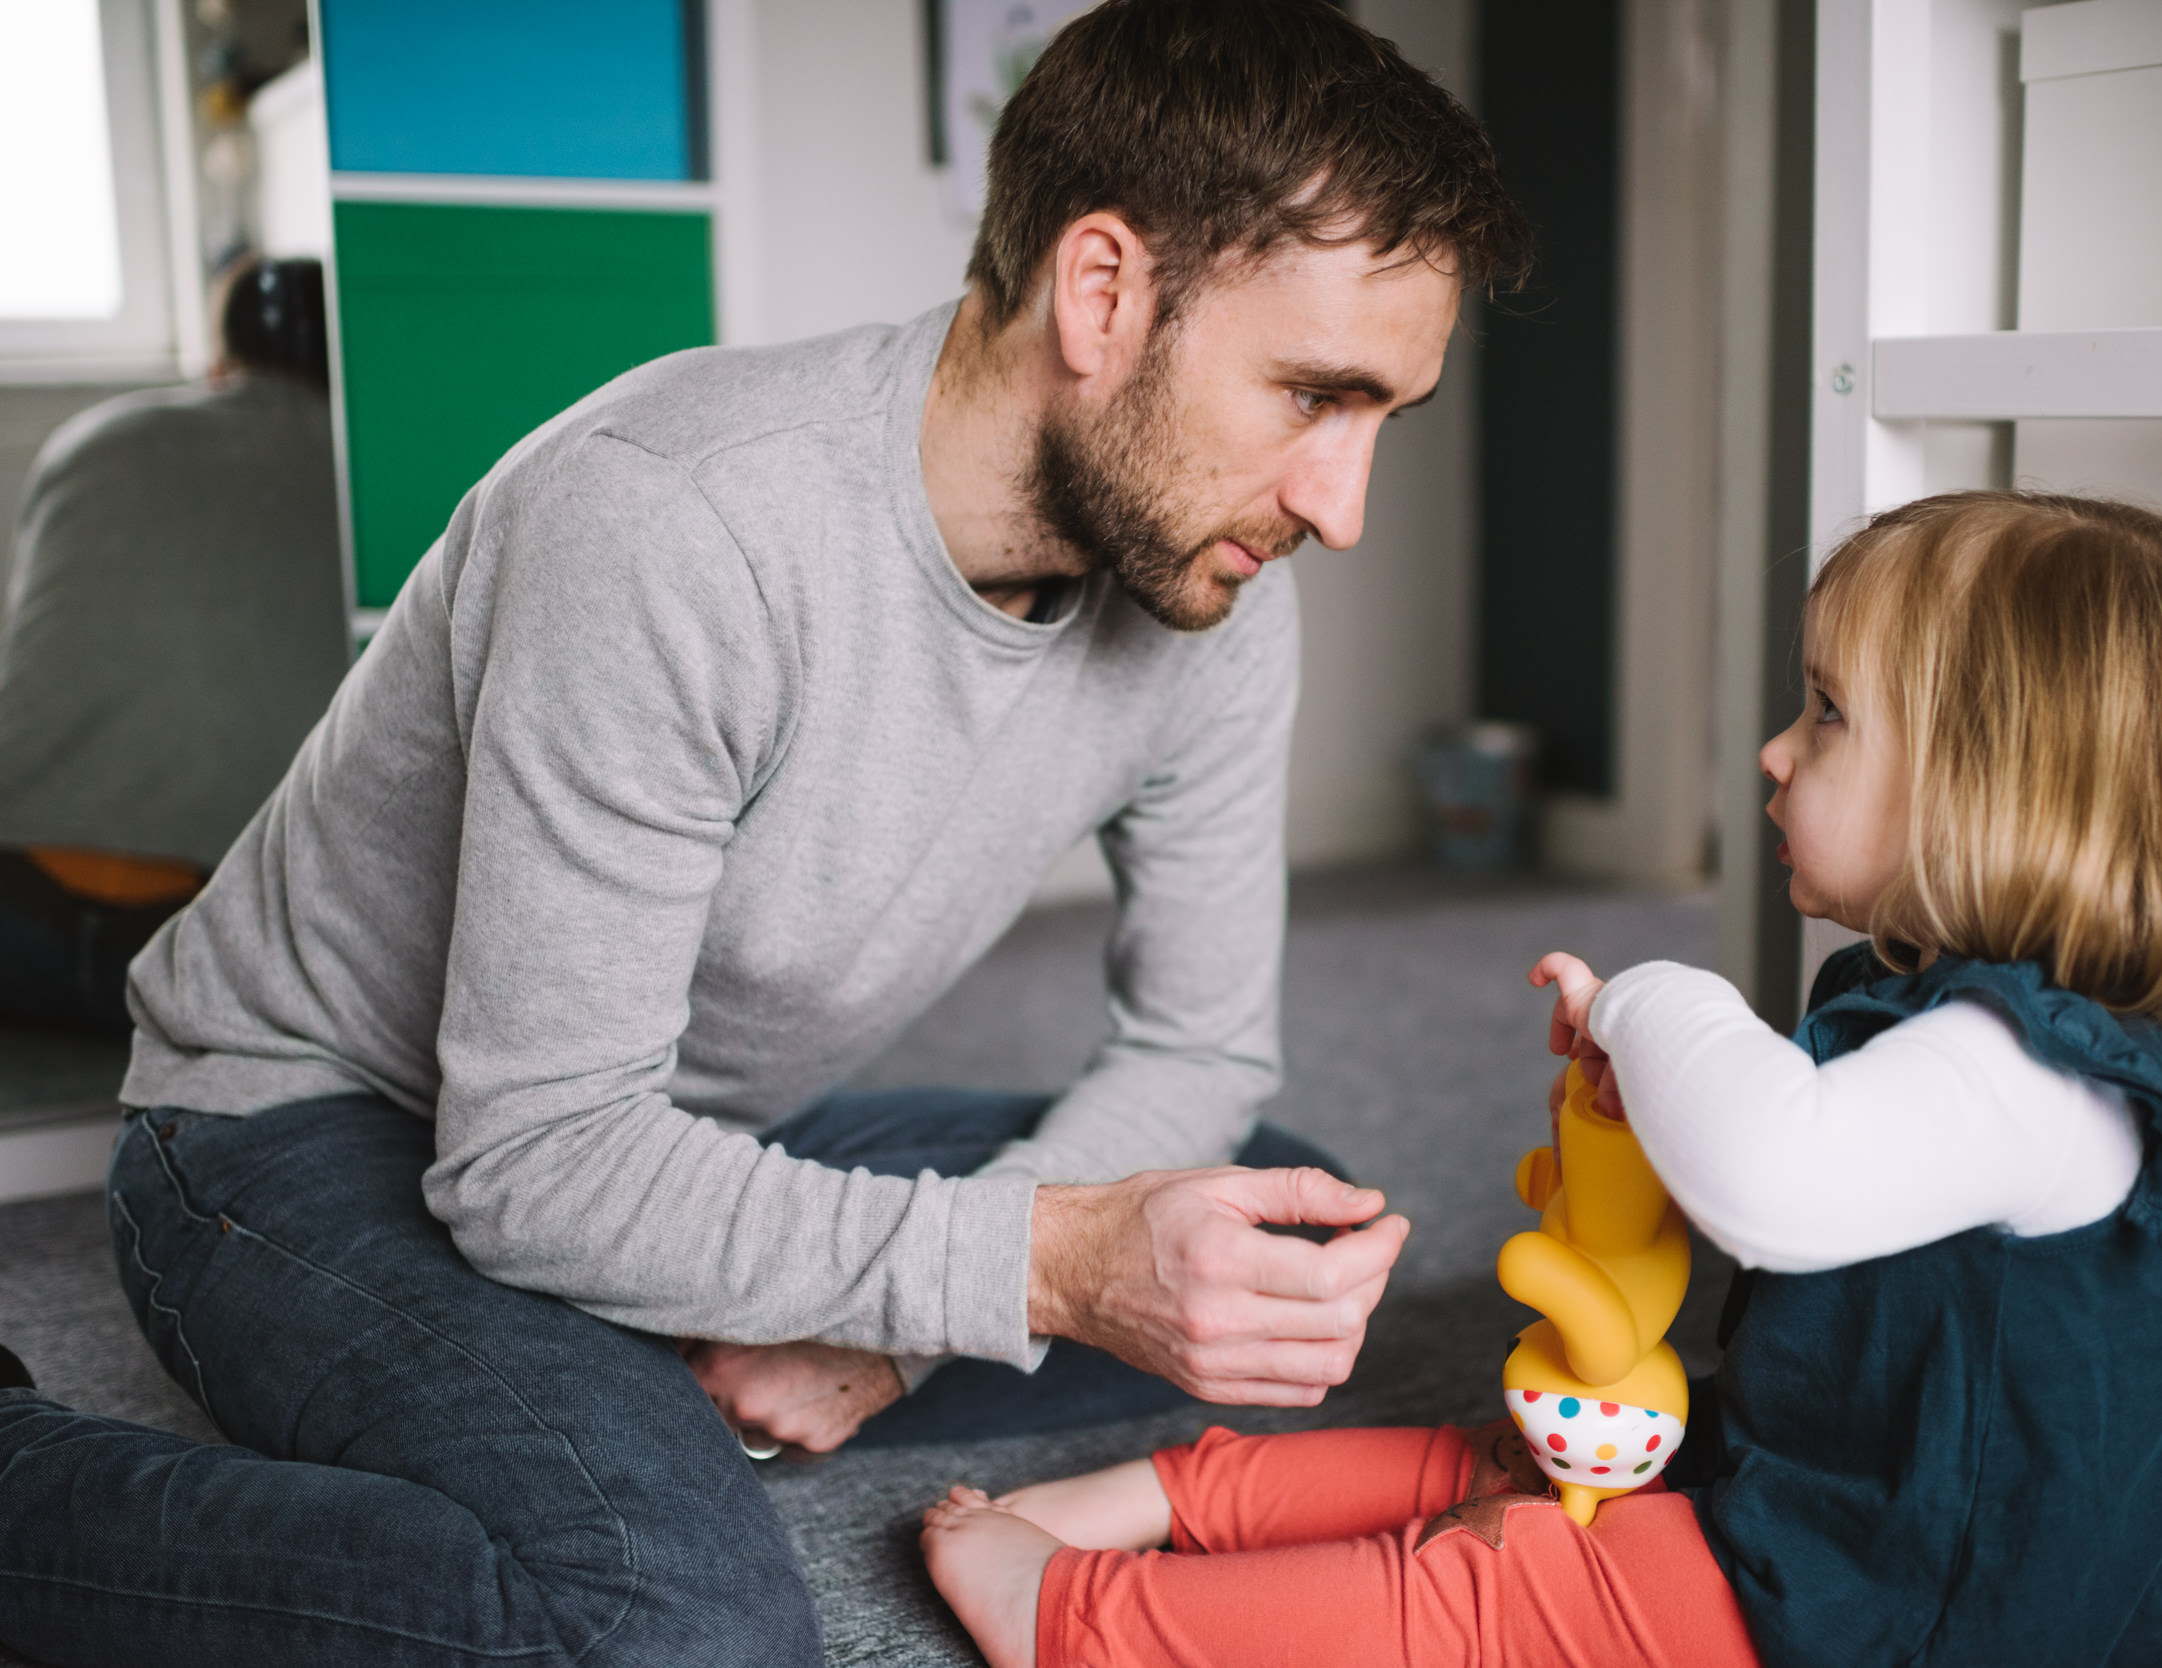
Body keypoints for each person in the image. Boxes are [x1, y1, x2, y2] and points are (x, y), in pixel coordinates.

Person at [0, 2, 1533, 1663]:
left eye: (1383, 414)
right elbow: (534, 1160)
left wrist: (889, 1337)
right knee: (678, 1623)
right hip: (301, 1134)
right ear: (1101, 292)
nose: (1341, 504)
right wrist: (1034, 1266)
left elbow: (1197, 1045)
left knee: (1262, 1236)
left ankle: (624, 1362)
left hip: (651, 1118)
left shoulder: (1215, 599)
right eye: (1313, 393)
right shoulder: (674, 520)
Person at [919, 489, 2162, 1668]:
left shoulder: (2033, 1078)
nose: (1774, 750)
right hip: (1822, 1523)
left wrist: (1649, 996)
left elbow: (1771, 1179)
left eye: (1827, 714)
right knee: (1514, 1455)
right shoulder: (1932, 1017)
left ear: (1995, 788)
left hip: (1903, 1628)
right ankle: (1160, 1496)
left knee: (1497, 1592)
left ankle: (1081, 1623)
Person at [0, 257, 343, 1033]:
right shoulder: (366, 472)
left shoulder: (92, 440)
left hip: (17, 907)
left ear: (219, 360)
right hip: (199, 949)